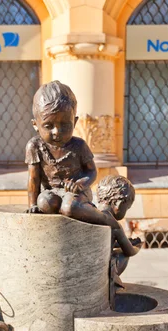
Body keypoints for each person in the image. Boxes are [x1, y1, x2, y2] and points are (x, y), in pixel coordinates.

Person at [25, 80, 135, 248]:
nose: (57, 132)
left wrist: (80, 184)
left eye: (65, 125)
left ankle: (106, 220)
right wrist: (32, 205)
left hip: (78, 194)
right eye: (49, 126)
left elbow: (91, 172)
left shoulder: (79, 146)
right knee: (44, 203)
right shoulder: (35, 146)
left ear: (75, 122)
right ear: (35, 125)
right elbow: (33, 179)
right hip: (51, 193)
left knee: (69, 207)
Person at [96, 174, 142, 282]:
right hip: (101, 271)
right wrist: (137, 247)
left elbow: (104, 242)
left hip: (91, 263)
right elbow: (129, 251)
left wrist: (119, 243)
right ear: (119, 203)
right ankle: (111, 282)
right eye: (127, 208)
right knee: (123, 255)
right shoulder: (114, 224)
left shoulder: (92, 214)